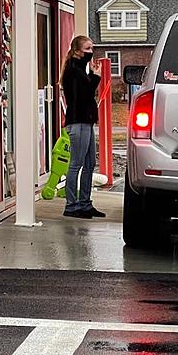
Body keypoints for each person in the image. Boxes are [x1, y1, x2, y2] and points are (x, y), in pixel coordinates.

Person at [60, 35, 105, 219]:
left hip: (86, 121)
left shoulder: (80, 69)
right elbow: (83, 95)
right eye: (87, 49)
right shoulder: (73, 70)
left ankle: (85, 203)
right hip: (77, 122)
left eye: (92, 48)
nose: (91, 52)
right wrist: (96, 77)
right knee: (76, 164)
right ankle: (72, 205)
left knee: (90, 163)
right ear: (77, 51)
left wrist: (92, 76)